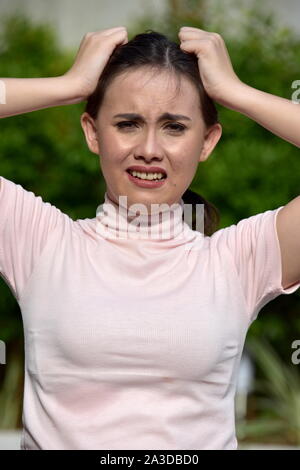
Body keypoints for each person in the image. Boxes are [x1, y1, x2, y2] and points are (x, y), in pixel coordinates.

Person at [0, 25, 300, 451]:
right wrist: (68, 85)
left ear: (207, 141)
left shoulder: (239, 260)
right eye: (128, 123)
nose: (149, 149)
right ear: (92, 132)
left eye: (175, 127)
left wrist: (235, 93)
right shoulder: (40, 242)